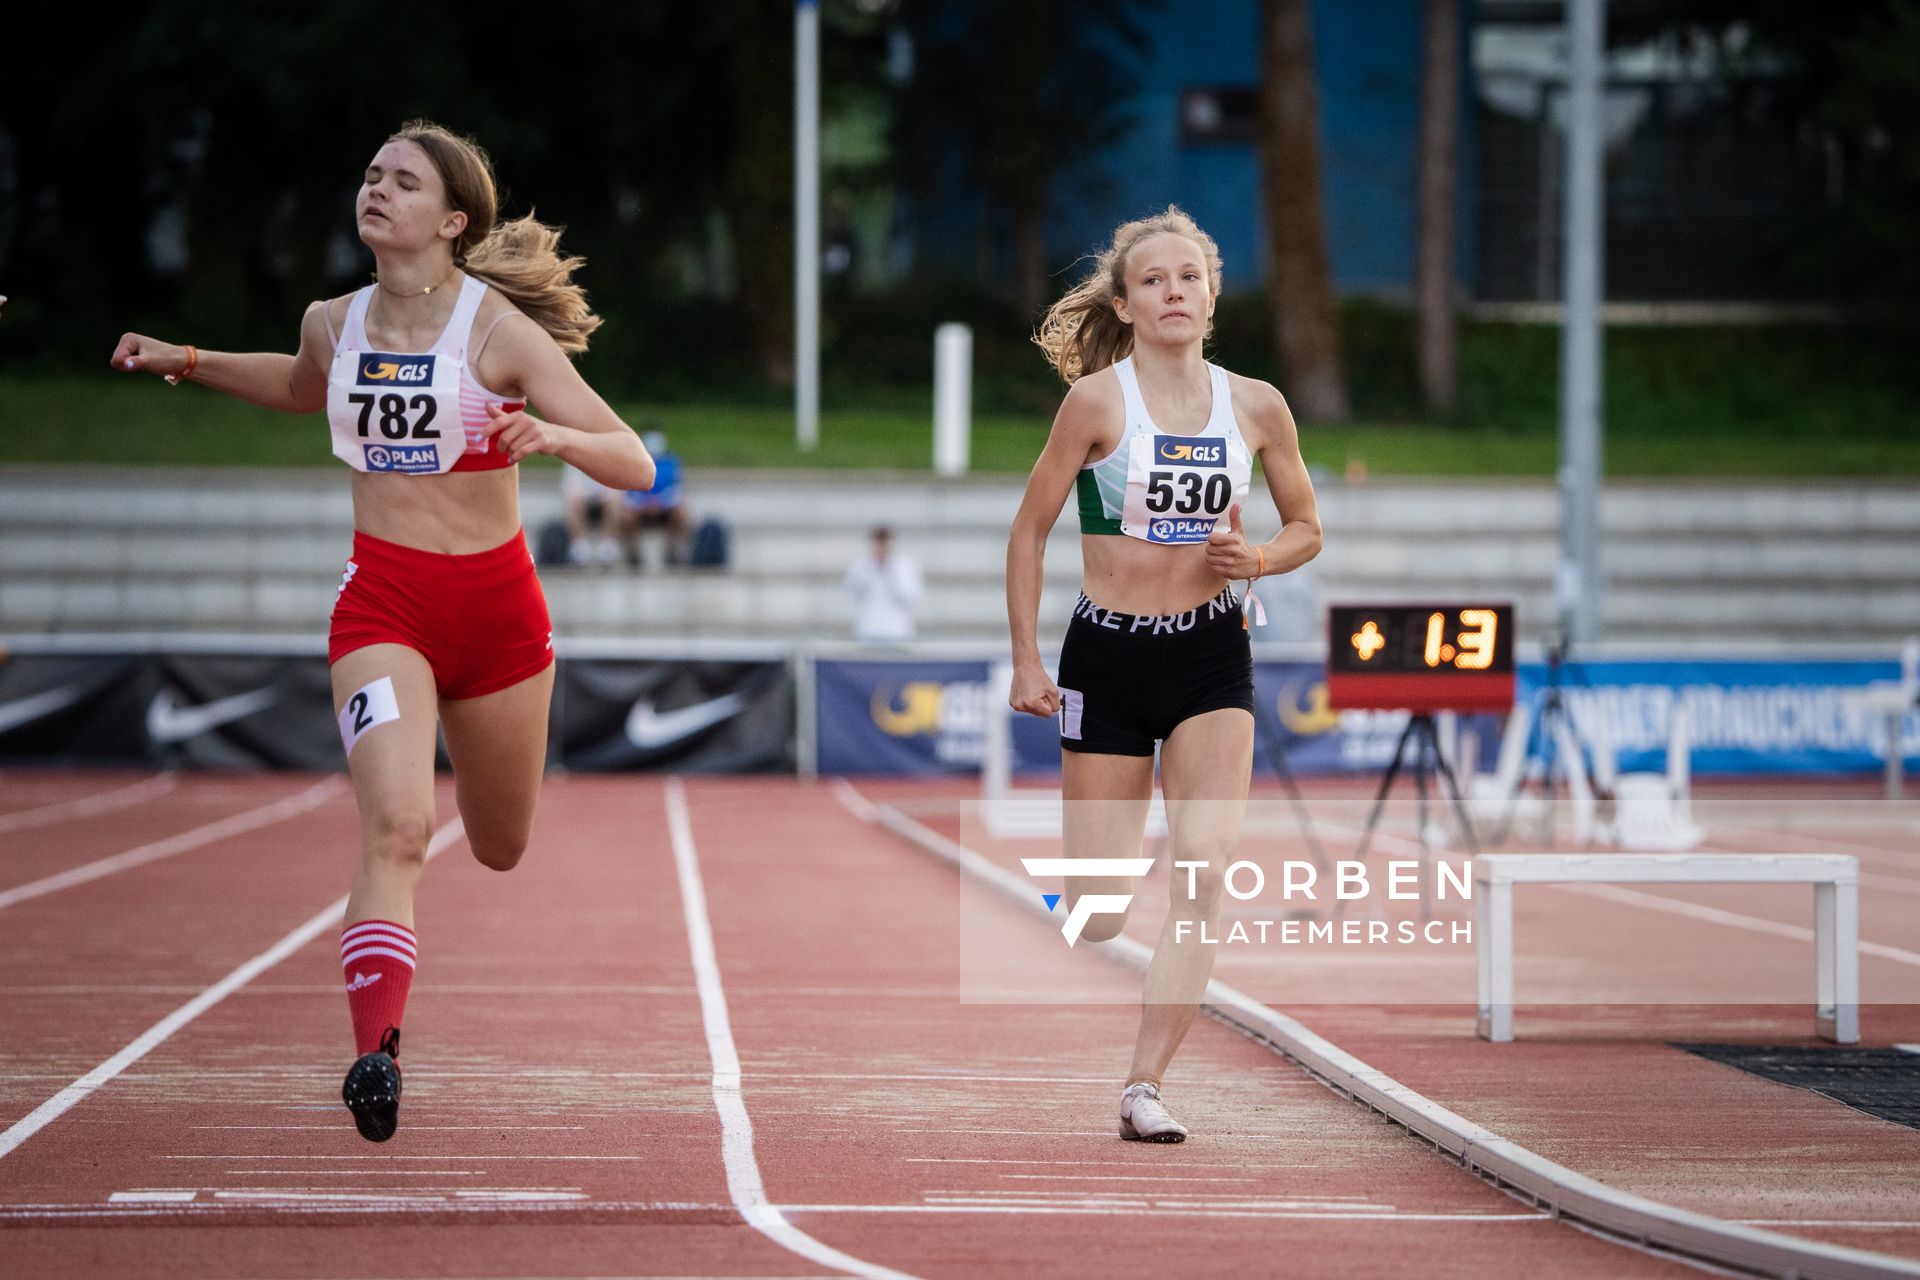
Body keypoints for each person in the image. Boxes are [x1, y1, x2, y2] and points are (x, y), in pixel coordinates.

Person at [110, 120, 654, 1142]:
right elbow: (296, 383)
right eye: (369, 174)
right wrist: (183, 358)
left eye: (402, 181)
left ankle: (386, 1020)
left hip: (497, 615)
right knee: (398, 828)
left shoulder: (500, 334)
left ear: (451, 222)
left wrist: (555, 435)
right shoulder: (335, 320)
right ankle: (376, 1051)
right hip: (383, 605)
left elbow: (633, 461)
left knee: (498, 845)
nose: (376, 190)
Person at [1006, 207, 1322, 1142]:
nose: (1173, 291)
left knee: (1206, 871)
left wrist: (1257, 560)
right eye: (1154, 280)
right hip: (1104, 652)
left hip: (1210, 652)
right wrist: (1026, 658)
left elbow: (1307, 526)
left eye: (1189, 276)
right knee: (1100, 913)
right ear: (1126, 303)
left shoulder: (1257, 405)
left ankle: (1145, 1085)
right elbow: (1028, 530)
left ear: (1212, 296)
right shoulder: (1097, 404)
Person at [611, 429, 690, 567]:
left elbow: (675, 488)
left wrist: (660, 502)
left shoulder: (670, 462)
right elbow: (629, 489)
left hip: (665, 507)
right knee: (626, 516)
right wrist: (644, 503)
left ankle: (672, 552)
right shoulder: (632, 461)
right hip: (639, 508)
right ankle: (634, 554)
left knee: (681, 512)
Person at [845, 525, 924, 643]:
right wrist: (873, 566)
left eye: (885, 541)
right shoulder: (862, 564)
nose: (882, 546)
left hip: (897, 631)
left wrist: (890, 569)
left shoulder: (905, 566)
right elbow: (853, 591)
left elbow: (910, 597)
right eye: (878, 541)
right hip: (868, 630)